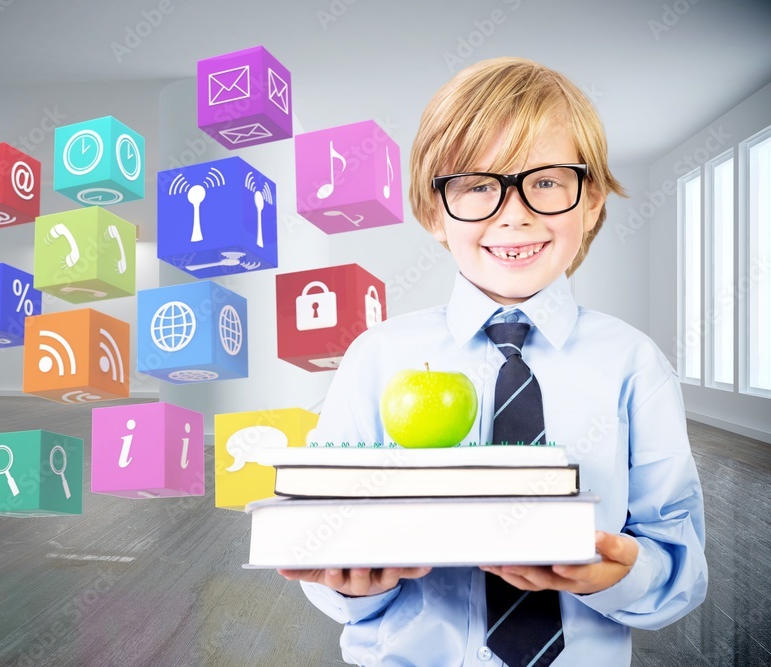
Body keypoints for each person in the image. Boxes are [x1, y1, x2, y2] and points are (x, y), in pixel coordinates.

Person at [277, 57, 707, 667]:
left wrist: (621, 573)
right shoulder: (376, 358)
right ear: (434, 213)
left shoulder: (635, 365)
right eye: (478, 185)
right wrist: (351, 585)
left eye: (549, 180)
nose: (514, 211)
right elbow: (330, 548)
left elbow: (680, 568)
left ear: (591, 203)